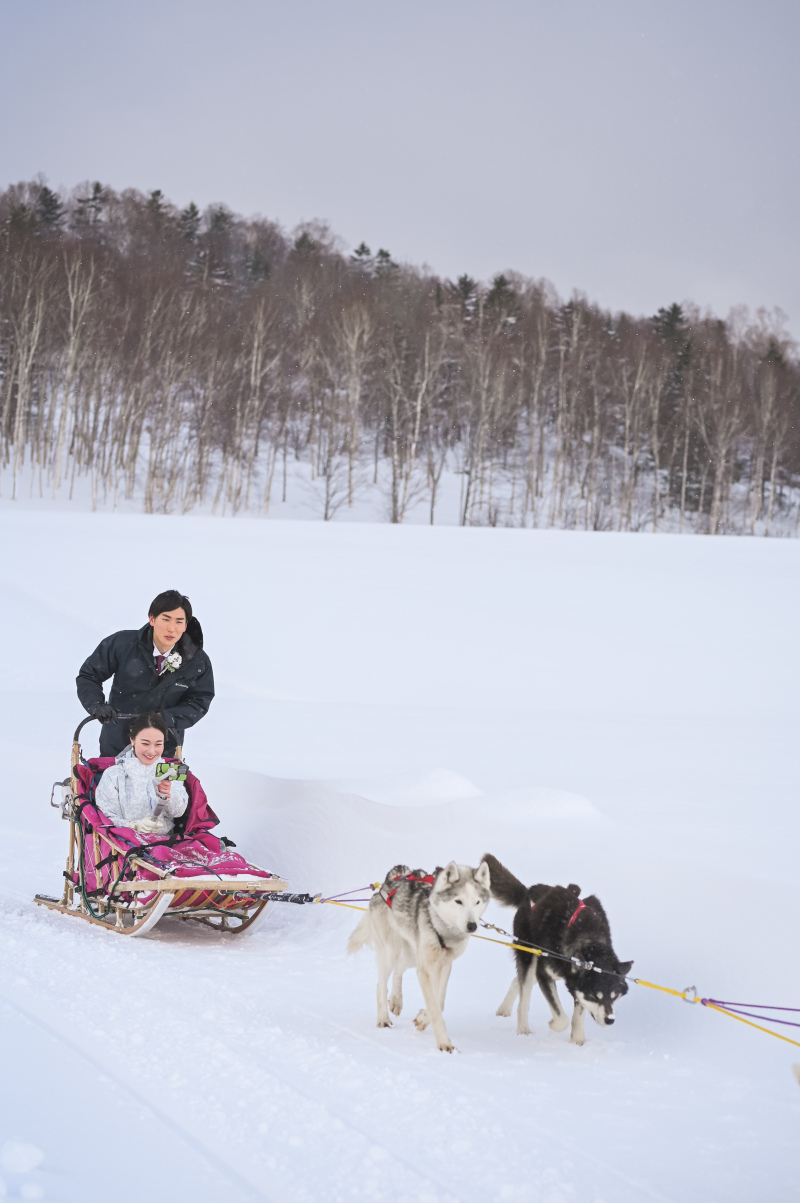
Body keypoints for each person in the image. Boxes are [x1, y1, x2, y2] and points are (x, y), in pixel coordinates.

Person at [76, 589, 215, 757]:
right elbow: (89, 675)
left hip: (164, 748)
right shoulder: (122, 644)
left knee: (161, 784)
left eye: (179, 621)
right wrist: (96, 704)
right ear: (152, 619)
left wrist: (168, 718)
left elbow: (199, 701)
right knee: (112, 783)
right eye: (166, 619)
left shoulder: (197, 661)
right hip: (117, 742)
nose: (172, 628)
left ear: (185, 626)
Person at [94, 712, 189, 834]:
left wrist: (169, 795)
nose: (151, 751)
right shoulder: (114, 775)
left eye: (158, 744)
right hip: (124, 845)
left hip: (165, 844)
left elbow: (178, 812)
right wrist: (134, 826)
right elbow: (107, 817)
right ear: (132, 740)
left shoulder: (169, 770)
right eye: (145, 743)